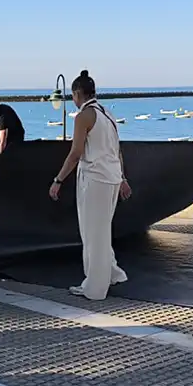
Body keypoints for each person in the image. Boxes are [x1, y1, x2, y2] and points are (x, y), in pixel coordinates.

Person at [48, 70, 132, 300]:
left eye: (73, 96)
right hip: (112, 178)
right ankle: (111, 272)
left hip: (95, 179)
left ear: (77, 93)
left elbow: (75, 153)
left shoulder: (84, 116)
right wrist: (123, 178)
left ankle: (95, 287)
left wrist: (58, 180)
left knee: (93, 233)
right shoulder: (108, 114)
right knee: (102, 230)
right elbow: (117, 150)